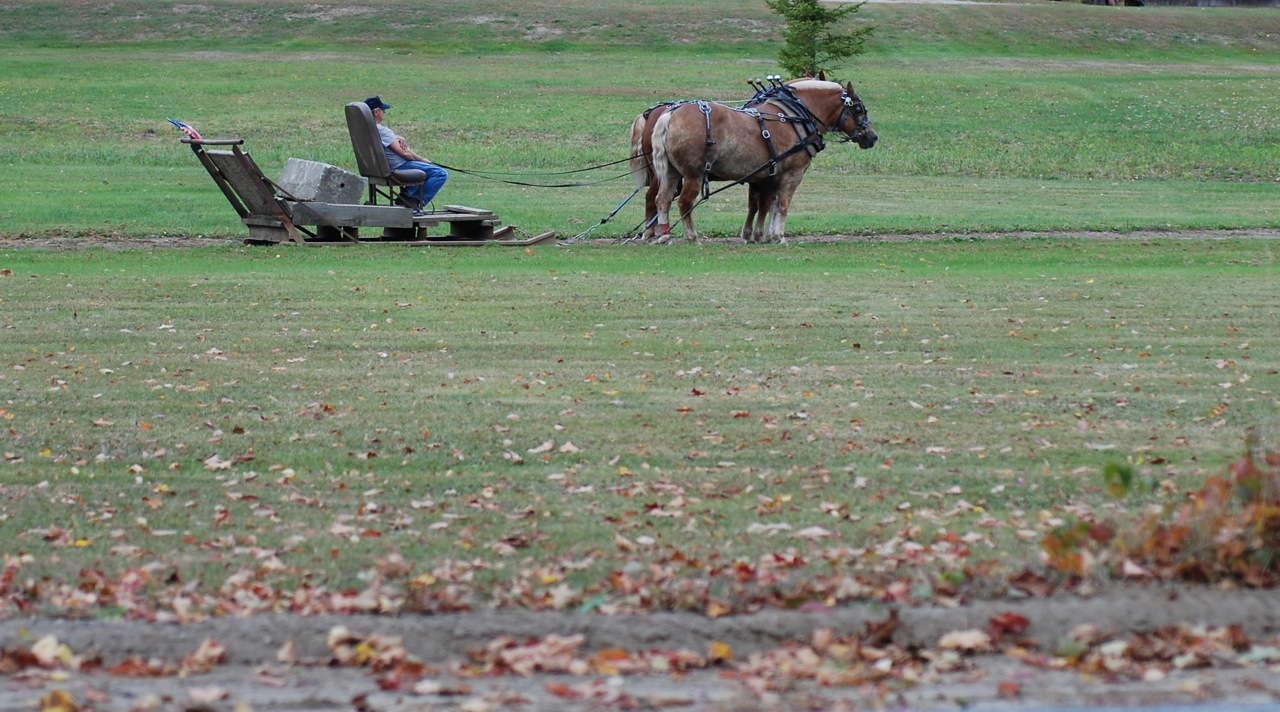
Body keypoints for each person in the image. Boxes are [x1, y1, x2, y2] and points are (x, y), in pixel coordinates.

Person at [364, 96, 448, 214]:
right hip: (399, 166)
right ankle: (412, 200)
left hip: (381, 169)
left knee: (430, 171)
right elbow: (405, 154)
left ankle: (407, 196)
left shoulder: (367, 130)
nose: (384, 113)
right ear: (376, 112)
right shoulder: (382, 131)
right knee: (440, 173)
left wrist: (396, 137)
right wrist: (423, 160)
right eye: (383, 110)